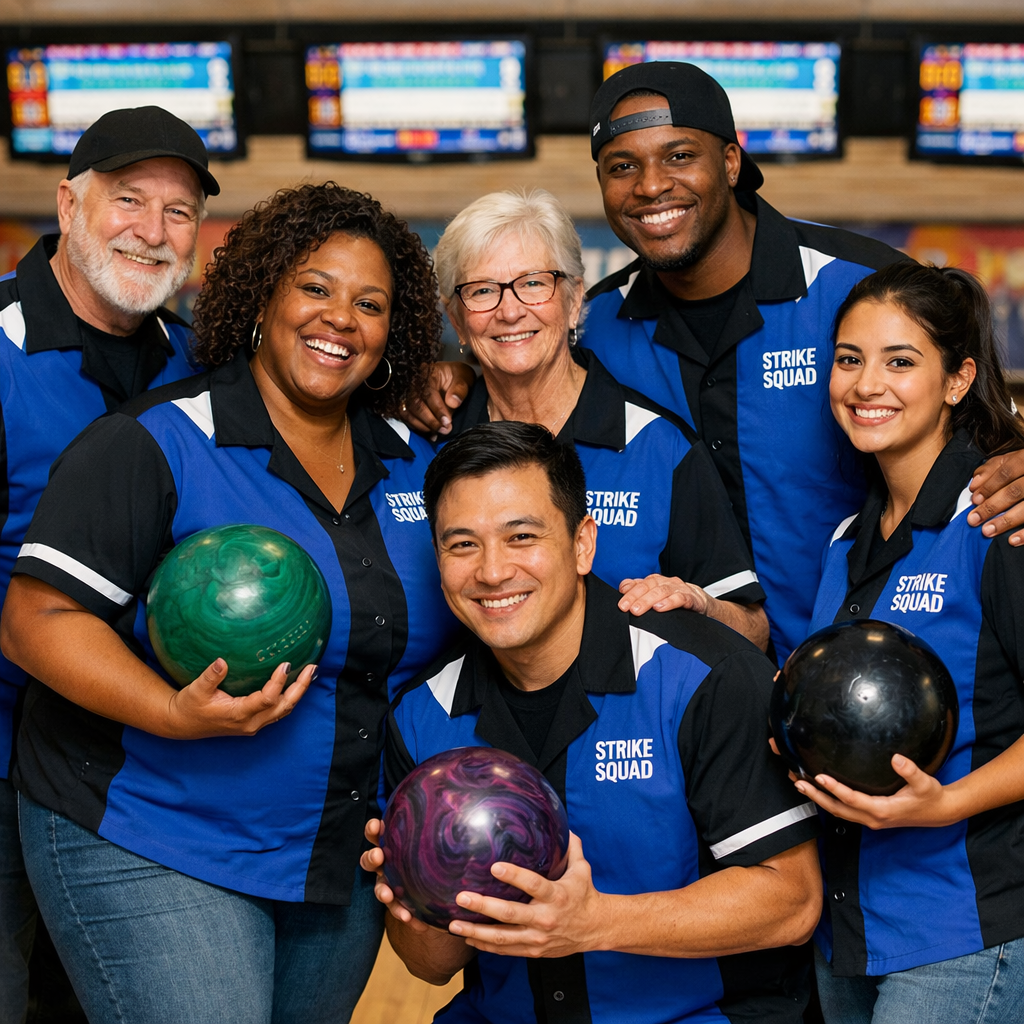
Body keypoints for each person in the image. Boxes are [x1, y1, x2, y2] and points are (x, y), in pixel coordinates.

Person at [0, 182, 463, 1024]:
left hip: (331, 858)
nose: (340, 319)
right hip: (153, 831)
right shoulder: (157, 440)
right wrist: (170, 711)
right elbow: (37, 621)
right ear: (263, 297)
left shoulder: (414, 460)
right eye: (315, 289)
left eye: (370, 303)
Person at [405, 61, 1024, 667]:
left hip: (883, 670)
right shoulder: (599, 322)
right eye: (622, 167)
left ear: (730, 162)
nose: (650, 186)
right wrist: (457, 375)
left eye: (678, 156)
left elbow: (973, 405)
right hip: (709, 692)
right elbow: (523, 364)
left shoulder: (859, 283)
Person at [361, 421, 824, 1023]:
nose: (493, 571)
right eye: (462, 545)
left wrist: (595, 924)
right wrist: (416, 892)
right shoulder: (422, 719)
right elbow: (431, 964)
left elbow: (792, 901)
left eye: (521, 536)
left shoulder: (702, 676)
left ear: (583, 543)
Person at [0, 106, 217, 1024]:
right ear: (70, 202)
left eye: (179, 213)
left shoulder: (195, 361)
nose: (153, 230)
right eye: (130, 200)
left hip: (136, 775)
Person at [792, 263, 1024, 1022]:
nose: (866, 384)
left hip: (965, 930)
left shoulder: (999, 525)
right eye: (849, 358)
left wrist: (946, 802)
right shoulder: (844, 543)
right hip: (848, 932)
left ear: (957, 381)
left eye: (901, 361)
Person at [434, 188, 768, 648]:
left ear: (573, 300)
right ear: (457, 320)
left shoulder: (658, 446)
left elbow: (754, 630)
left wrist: (699, 606)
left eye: (533, 283)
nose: (510, 311)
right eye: (482, 291)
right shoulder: (433, 437)